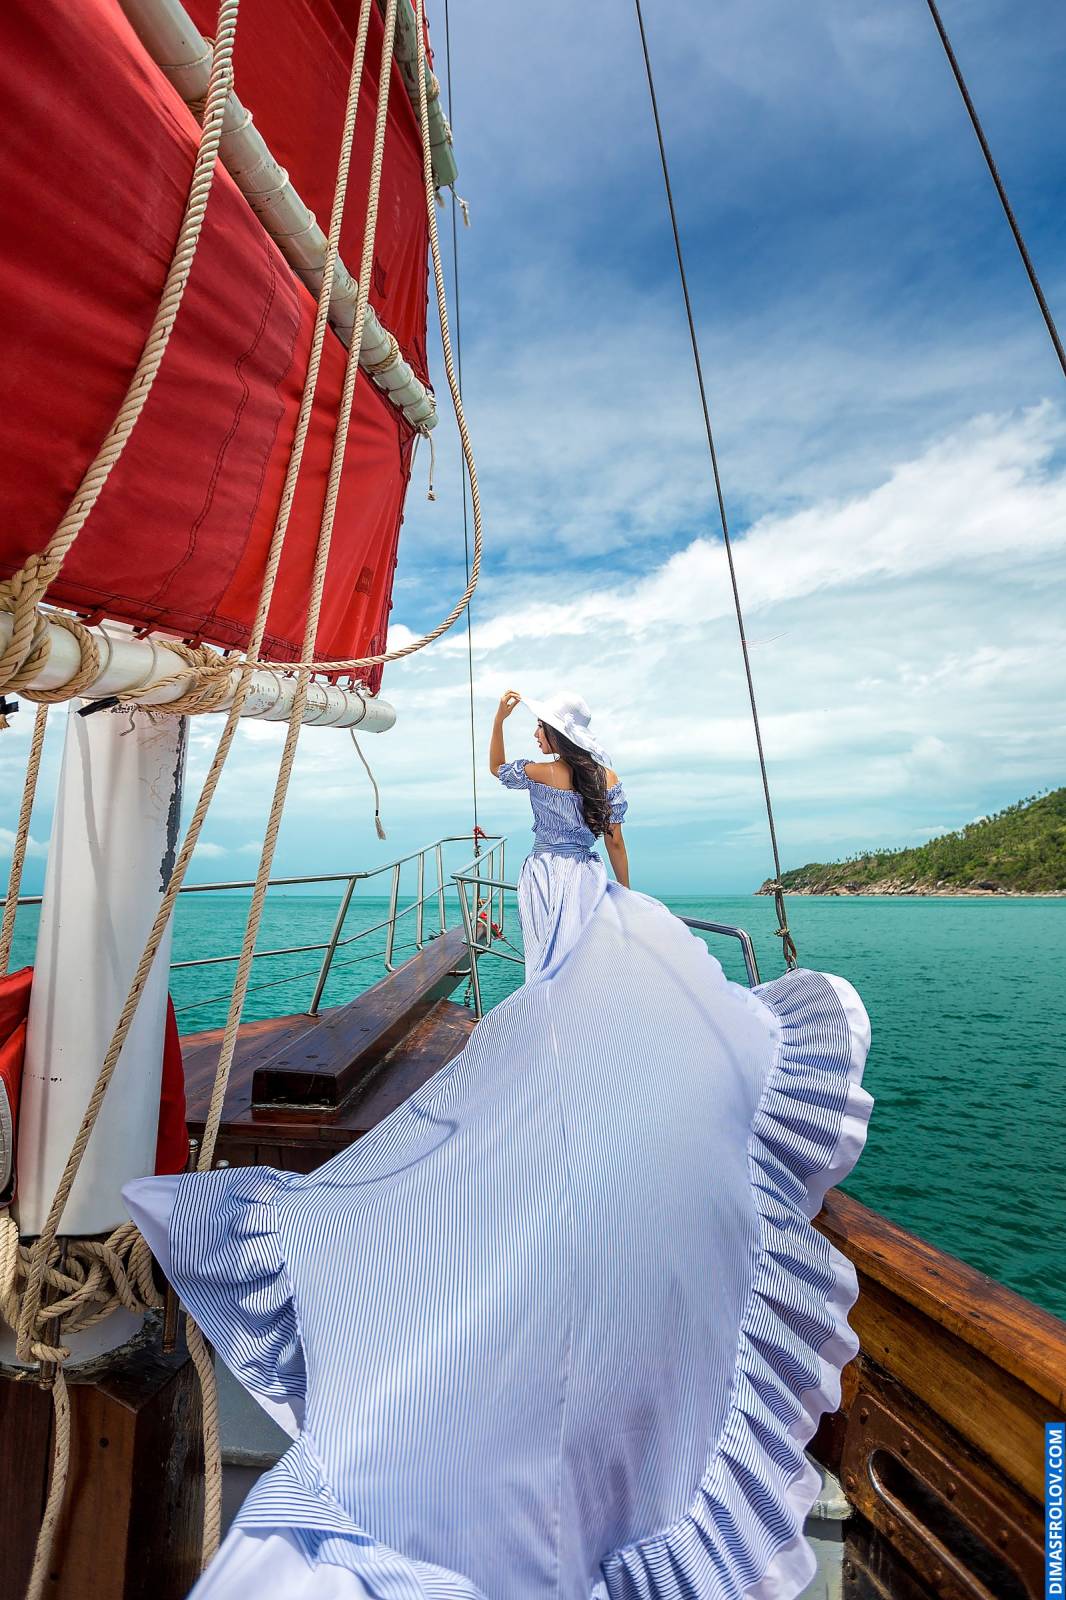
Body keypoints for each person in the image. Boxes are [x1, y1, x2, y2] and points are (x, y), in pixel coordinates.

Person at [124, 686, 873, 1600]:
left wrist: (496, 715)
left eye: (538, 729)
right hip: (589, 884)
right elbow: (620, 848)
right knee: (561, 993)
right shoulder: (601, 781)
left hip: (551, 880)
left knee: (551, 1000)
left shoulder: (540, 769)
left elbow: (490, 771)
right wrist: (632, 904)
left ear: (549, 737)